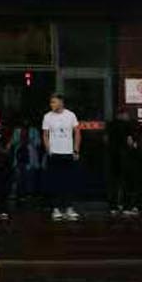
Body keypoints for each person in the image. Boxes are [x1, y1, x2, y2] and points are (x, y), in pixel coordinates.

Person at [42, 93, 81, 221]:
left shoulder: (71, 115)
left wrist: (76, 150)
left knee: (68, 181)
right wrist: (48, 149)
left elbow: (77, 132)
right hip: (54, 153)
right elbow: (45, 134)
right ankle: (56, 209)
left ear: (61, 102)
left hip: (68, 152)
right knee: (55, 182)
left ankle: (69, 208)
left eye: (54, 102)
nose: (51, 104)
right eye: (51, 102)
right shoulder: (47, 116)